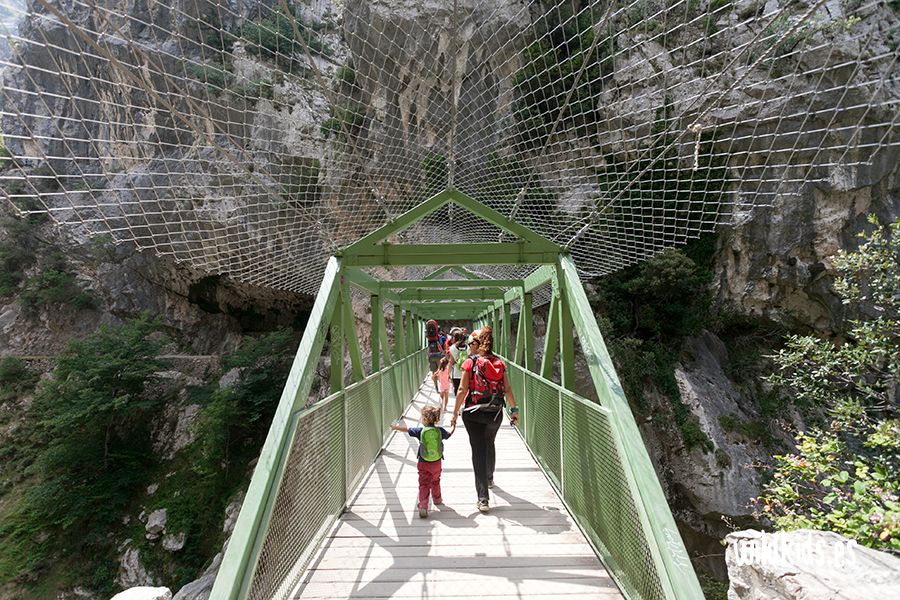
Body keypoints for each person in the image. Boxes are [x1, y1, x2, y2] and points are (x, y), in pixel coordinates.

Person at [450, 327, 519, 513]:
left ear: (477, 344)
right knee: (490, 442)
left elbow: (462, 390)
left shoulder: (469, 363)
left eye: (471, 344)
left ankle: (483, 498)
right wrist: (514, 410)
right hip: (495, 413)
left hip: (473, 413)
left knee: (478, 451)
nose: (469, 347)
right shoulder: (499, 363)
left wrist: (454, 413)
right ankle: (489, 478)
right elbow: (508, 389)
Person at [391, 405, 455, 518]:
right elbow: (449, 433)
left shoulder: (420, 431)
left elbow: (407, 429)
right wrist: (453, 425)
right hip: (437, 462)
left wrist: (395, 428)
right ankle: (437, 499)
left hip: (423, 462)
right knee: (436, 480)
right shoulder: (440, 431)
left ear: (424, 419)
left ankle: (423, 505)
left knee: (424, 483)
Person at [447, 330, 468, 395]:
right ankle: (464, 403)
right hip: (465, 371)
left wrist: (448, 373)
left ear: (454, 338)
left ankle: (459, 403)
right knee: (466, 389)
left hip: (456, 372)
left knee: (457, 390)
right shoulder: (468, 347)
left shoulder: (452, 348)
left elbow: (451, 362)